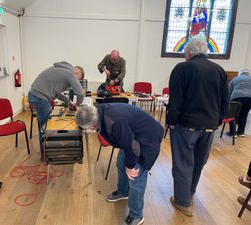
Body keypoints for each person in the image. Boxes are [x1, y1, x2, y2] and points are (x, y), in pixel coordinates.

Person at [166, 37, 229, 216]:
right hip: (209, 126)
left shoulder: (182, 68)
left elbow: (175, 100)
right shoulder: (219, 70)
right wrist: (217, 120)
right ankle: (189, 194)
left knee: (183, 163)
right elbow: (225, 101)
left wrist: (171, 121)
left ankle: (183, 201)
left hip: (186, 125)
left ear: (188, 53)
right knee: (198, 162)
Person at [75, 104, 164, 225]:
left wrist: (130, 167)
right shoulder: (98, 112)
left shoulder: (115, 122)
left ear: (91, 126)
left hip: (147, 139)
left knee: (135, 178)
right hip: (132, 137)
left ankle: (136, 215)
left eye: (85, 128)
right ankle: (123, 192)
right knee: (121, 162)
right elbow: (128, 142)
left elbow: (134, 148)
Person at [28, 61, 84, 155]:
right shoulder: (70, 73)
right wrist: (77, 105)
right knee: (45, 127)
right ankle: (45, 154)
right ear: (77, 73)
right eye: (78, 80)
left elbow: (56, 93)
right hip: (40, 98)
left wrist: (69, 102)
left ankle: (46, 151)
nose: (76, 82)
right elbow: (80, 93)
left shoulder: (61, 70)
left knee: (44, 125)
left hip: (35, 95)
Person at [227, 68, 251, 137]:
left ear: (240, 73)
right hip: (249, 98)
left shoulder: (235, 79)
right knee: (244, 114)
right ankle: (241, 132)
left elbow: (229, 90)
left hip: (236, 97)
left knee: (233, 115)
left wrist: (228, 101)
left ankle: (233, 133)